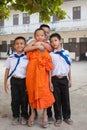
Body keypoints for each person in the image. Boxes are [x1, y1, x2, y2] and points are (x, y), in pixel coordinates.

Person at [25, 28, 55, 128]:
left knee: (45, 93)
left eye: (42, 35)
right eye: (37, 35)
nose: (39, 37)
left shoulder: (47, 46)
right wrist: (36, 45)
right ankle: (33, 113)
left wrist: (50, 81)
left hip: (43, 76)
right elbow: (25, 49)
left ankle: (45, 114)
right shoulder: (33, 44)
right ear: (34, 37)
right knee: (32, 93)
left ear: (45, 36)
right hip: (32, 75)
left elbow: (50, 49)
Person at [4, 36, 28, 125]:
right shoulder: (11, 57)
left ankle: (24, 116)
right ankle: (16, 116)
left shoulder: (28, 57)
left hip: (25, 81)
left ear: (25, 45)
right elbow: (7, 70)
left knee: (24, 100)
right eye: (17, 44)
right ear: (14, 46)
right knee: (15, 100)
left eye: (21, 43)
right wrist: (5, 82)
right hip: (14, 80)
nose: (19, 45)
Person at [50, 33, 73, 127]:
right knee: (56, 100)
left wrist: (70, 79)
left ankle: (67, 117)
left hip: (64, 79)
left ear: (60, 41)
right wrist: (50, 82)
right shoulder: (51, 54)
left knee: (66, 99)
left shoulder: (66, 53)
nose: (53, 43)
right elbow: (49, 70)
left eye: (55, 40)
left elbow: (69, 67)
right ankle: (58, 118)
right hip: (54, 79)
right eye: (51, 41)